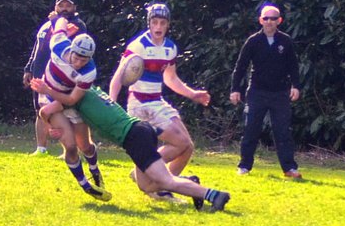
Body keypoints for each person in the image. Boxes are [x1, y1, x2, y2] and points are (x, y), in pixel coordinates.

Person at [34, 72, 232, 212]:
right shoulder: (89, 89)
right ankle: (190, 183)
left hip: (134, 136)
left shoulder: (75, 97)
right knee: (145, 185)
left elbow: (46, 110)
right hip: (139, 130)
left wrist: (49, 119)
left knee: (166, 181)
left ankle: (214, 195)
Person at [108, 1, 211, 197]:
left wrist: (192, 94)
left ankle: (158, 184)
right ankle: (150, 175)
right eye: (154, 22)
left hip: (157, 102)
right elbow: (118, 78)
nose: (158, 27)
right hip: (140, 104)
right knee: (180, 143)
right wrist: (112, 105)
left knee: (188, 146)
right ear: (149, 23)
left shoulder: (170, 48)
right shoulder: (138, 46)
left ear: (168, 24)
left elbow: (170, 78)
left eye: (162, 23)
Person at [229, 2, 301, 178]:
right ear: (260, 20)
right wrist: (235, 89)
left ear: (279, 21)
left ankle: (289, 168)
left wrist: (296, 86)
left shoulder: (285, 41)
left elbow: (293, 66)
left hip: (280, 93)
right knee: (251, 130)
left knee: (283, 132)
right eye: (266, 18)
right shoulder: (253, 41)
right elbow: (240, 66)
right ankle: (244, 166)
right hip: (257, 92)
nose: (269, 21)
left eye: (273, 18)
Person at [37, 33, 108, 198]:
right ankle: (86, 185)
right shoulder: (58, 45)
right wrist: (49, 126)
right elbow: (44, 112)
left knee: (85, 146)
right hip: (50, 99)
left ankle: (94, 170)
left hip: (70, 101)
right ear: (71, 50)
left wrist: (48, 90)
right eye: (76, 58)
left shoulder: (89, 71)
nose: (78, 64)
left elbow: (71, 99)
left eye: (84, 61)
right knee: (70, 146)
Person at [24, 0, 87, 154]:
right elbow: (37, 48)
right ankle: (41, 149)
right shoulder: (46, 25)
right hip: (40, 75)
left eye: (68, 5)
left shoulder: (77, 25)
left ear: (74, 8)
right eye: (61, 5)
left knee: (64, 112)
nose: (64, 8)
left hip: (61, 77)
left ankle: (70, 150)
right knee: (40, 110)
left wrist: (55, 21)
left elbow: (65, 39)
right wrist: (29, 68)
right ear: (55, 7)